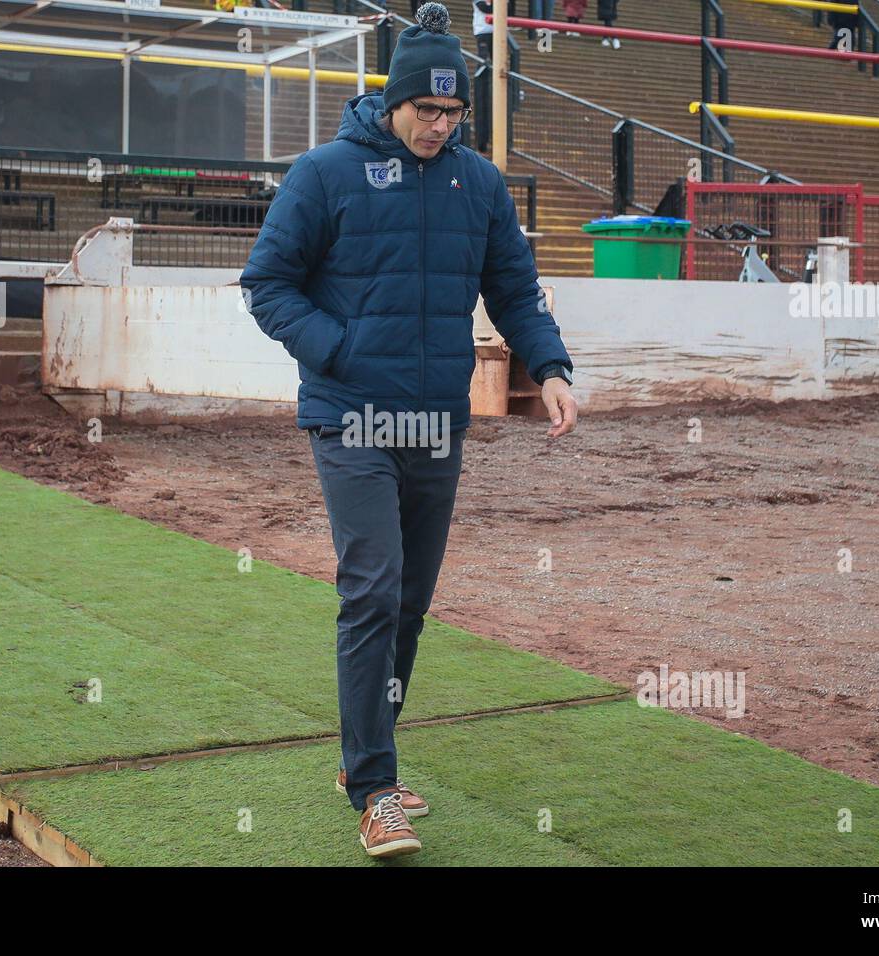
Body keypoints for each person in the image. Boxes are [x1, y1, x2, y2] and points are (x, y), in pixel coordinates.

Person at [240, 1, 577, 859]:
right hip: (349, 414)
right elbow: (267, 282)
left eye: (452, 113)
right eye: (425, 111)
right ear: (390, 102)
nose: (438, 126)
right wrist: (339, 350)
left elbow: (514, 288)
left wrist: (552, 368)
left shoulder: (480, 184)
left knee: (413, 605)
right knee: (373, 587)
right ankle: (375, 791)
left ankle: (365, 757)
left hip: (436, 423)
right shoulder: (324, 174)